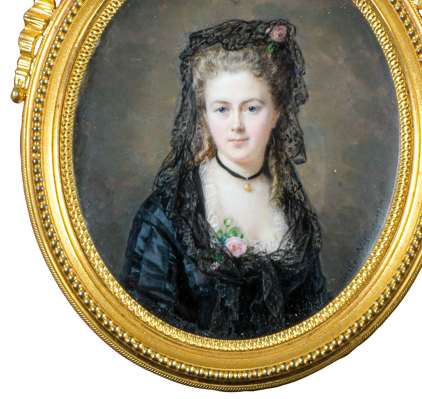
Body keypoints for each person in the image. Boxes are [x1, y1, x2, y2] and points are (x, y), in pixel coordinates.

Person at [122, 19, 328, 339]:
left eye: (252, 108)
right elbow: (147, 326)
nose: (236, 125)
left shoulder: (291, 211)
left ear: (276, 113)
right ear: (204, 115)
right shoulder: (167, 214)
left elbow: (315, 318)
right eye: (221, 109)